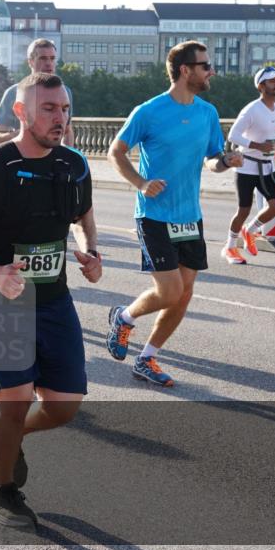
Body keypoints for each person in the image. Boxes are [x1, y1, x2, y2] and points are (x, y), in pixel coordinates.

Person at [0, 71, 101, 529]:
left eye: (65, 109)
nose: (60, 119)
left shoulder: (74, 164)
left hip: (53, 299)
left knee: (64, 406)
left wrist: (91, 252)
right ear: (21, 112)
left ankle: (11, 439)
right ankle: (3, 488)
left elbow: (83, 213)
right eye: (49, 109)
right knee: (12, 403)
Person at [105, 41, 243, 386]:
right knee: (168, 291)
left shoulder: (207, 113)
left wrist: (225, 161)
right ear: (185, 70)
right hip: (154, 215)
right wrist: (140, 182)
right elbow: (116, 152)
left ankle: (147, 358)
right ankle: (124, 317)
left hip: (189, 216)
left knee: (184, 293)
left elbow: (212, 160)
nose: (211, 71)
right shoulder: (149, 111)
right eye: (205, 66)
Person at [221, 66, 275, 265]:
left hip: (268, 165)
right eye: (272, 81)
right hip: (247, 166)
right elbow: (233, 135)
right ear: (261, 86)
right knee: (243, 210)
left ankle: (249, 231)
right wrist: (258, 145)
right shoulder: (252, 109)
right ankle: (230, 247)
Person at [0, 39, 75, 147]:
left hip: (52, 161)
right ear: (30, 61)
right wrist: (23, 133)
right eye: (43, 58)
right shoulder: (13, 93)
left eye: (52, 58)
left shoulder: (65, 92)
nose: (49, 63)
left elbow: (67, 131)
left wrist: (67, 158)